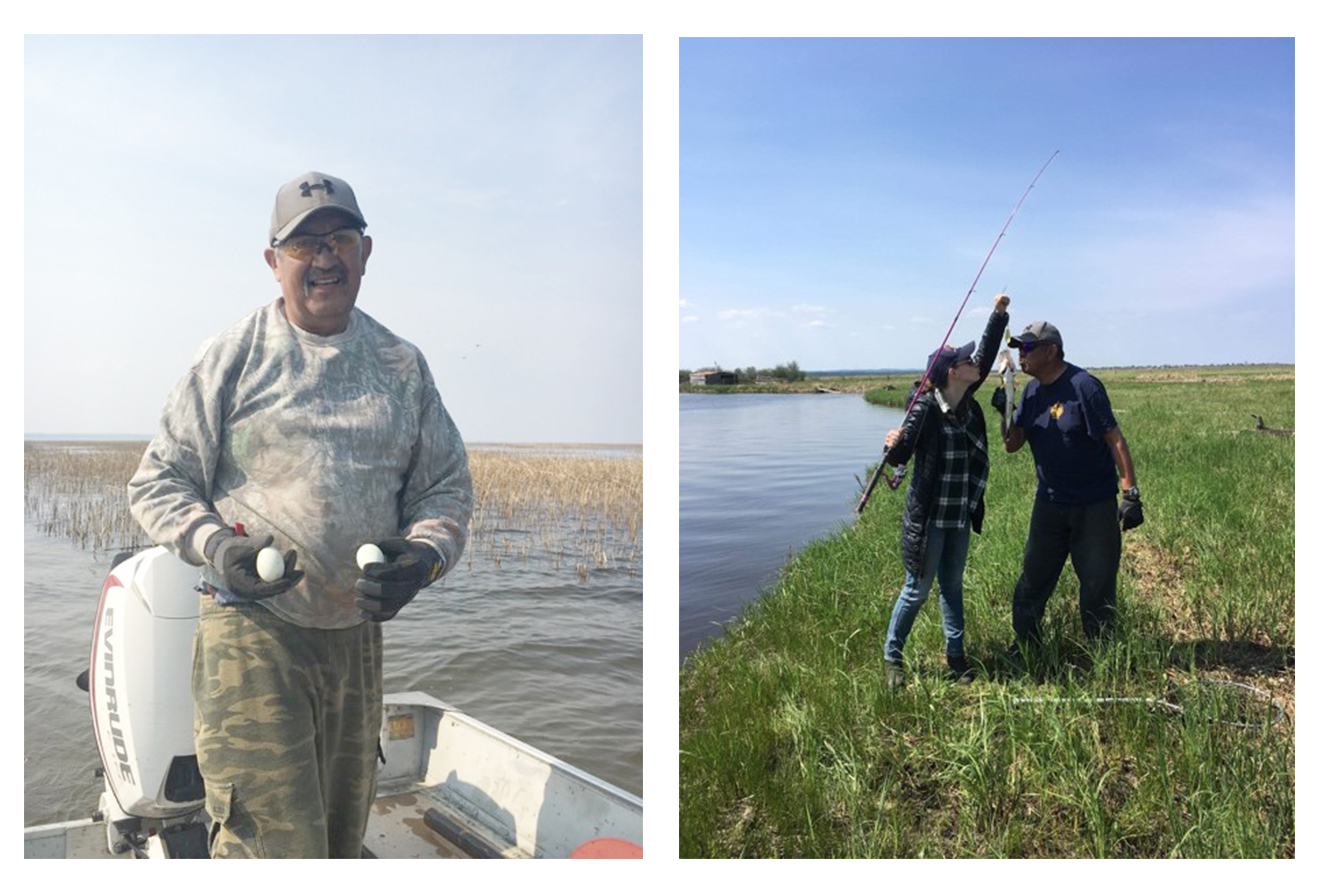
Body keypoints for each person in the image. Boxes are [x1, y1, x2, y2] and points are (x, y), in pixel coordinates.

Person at [127, 171, 473, 858]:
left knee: (341, 841)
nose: (324, 258)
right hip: (252, 638)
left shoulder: (402, 366)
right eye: (304, 244)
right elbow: (158, 481)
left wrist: (424, 557)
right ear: (273, 261)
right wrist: (217, 548)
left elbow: (445, 491)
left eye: (339, 239)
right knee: (269, 847)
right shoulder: (231, 356)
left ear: (366, 252)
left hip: (356, 643)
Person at [880, 294, 1010, 687]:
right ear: (953, 373)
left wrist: (998, 314)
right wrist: (891, 442)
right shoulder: (923, 410)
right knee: (917, 590)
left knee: (952, 586)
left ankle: (956, 658)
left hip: (959, 515)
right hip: (929, 519)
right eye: (966, 361)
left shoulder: (967, 402)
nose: (975, 365)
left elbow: (987, 354)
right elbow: (899, 454)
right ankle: (892, 658)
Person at [995, 320, 1142, 655]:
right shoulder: (1030, 392)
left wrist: (1130, 491)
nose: (1021, 354)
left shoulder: (1084, 386)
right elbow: (1012, 444)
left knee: (1096, 584)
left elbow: (1114, 438)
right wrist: (1004, 410)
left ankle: (1102, 652)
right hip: (1048, 504)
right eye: (1018, 348)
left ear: (1052, 351)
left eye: (1028, 347)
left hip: (1094, 506)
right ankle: (1026, 646)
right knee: (1033, 580)